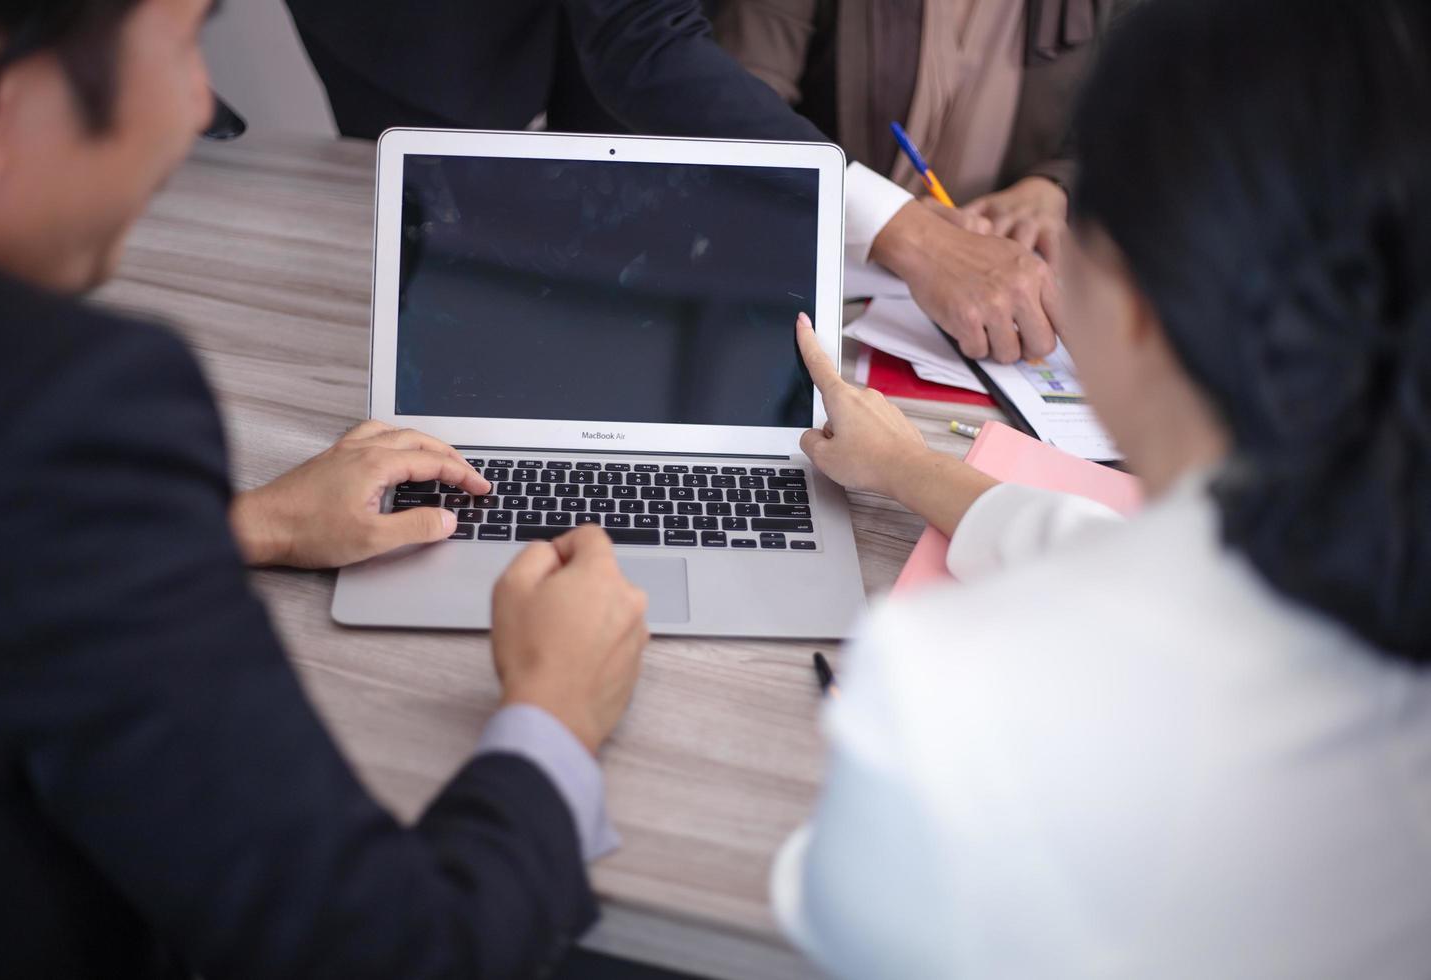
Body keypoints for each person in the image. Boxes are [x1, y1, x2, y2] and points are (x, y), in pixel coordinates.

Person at [0, 1, 650, 977]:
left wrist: (246, 524)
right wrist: (556, 713)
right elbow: (395, 952)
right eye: (186, 42)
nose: (200, 103)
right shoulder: (67, 411)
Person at [775, 0, 1431, 974]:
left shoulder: (936, 699)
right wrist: (911, 468)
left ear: (1125, 303)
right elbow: (1144, 560)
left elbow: (813, 903)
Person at [284, 0, 1063, 363]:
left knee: (623, 237)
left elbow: (642, 48)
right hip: (420, 25)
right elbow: (641, 42)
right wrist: (912, 235)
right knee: (424, 266)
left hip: (638, 31)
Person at [712, 0, 1127, 267]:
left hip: (1004, 285)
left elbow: (1143, 127)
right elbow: (733, 120)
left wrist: (1055, 185)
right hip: (827, 269)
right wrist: (904, 231)